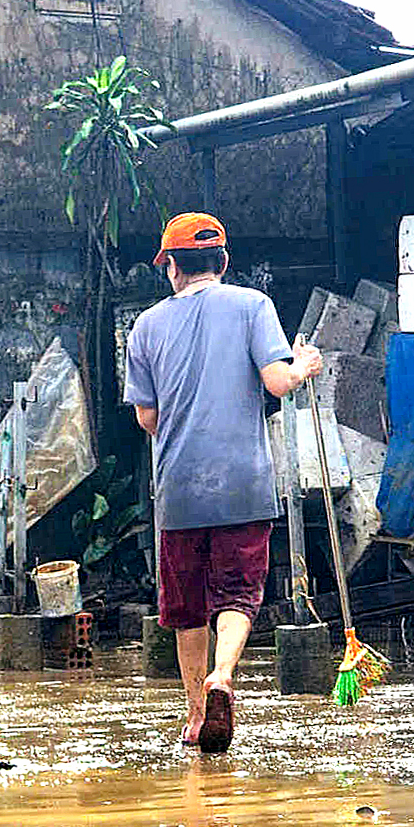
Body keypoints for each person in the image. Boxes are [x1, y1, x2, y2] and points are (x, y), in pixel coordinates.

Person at [124, 212, 322, 753]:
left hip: (180, 487)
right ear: (224, 262)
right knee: (238, 592)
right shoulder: (253, 305)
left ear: (170, 268)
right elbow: (278, 383)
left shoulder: (145, 327)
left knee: (186, 608)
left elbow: (147, 418)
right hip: (244, 482)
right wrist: (303, 364)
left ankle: (193, 714)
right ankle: (223, 676)